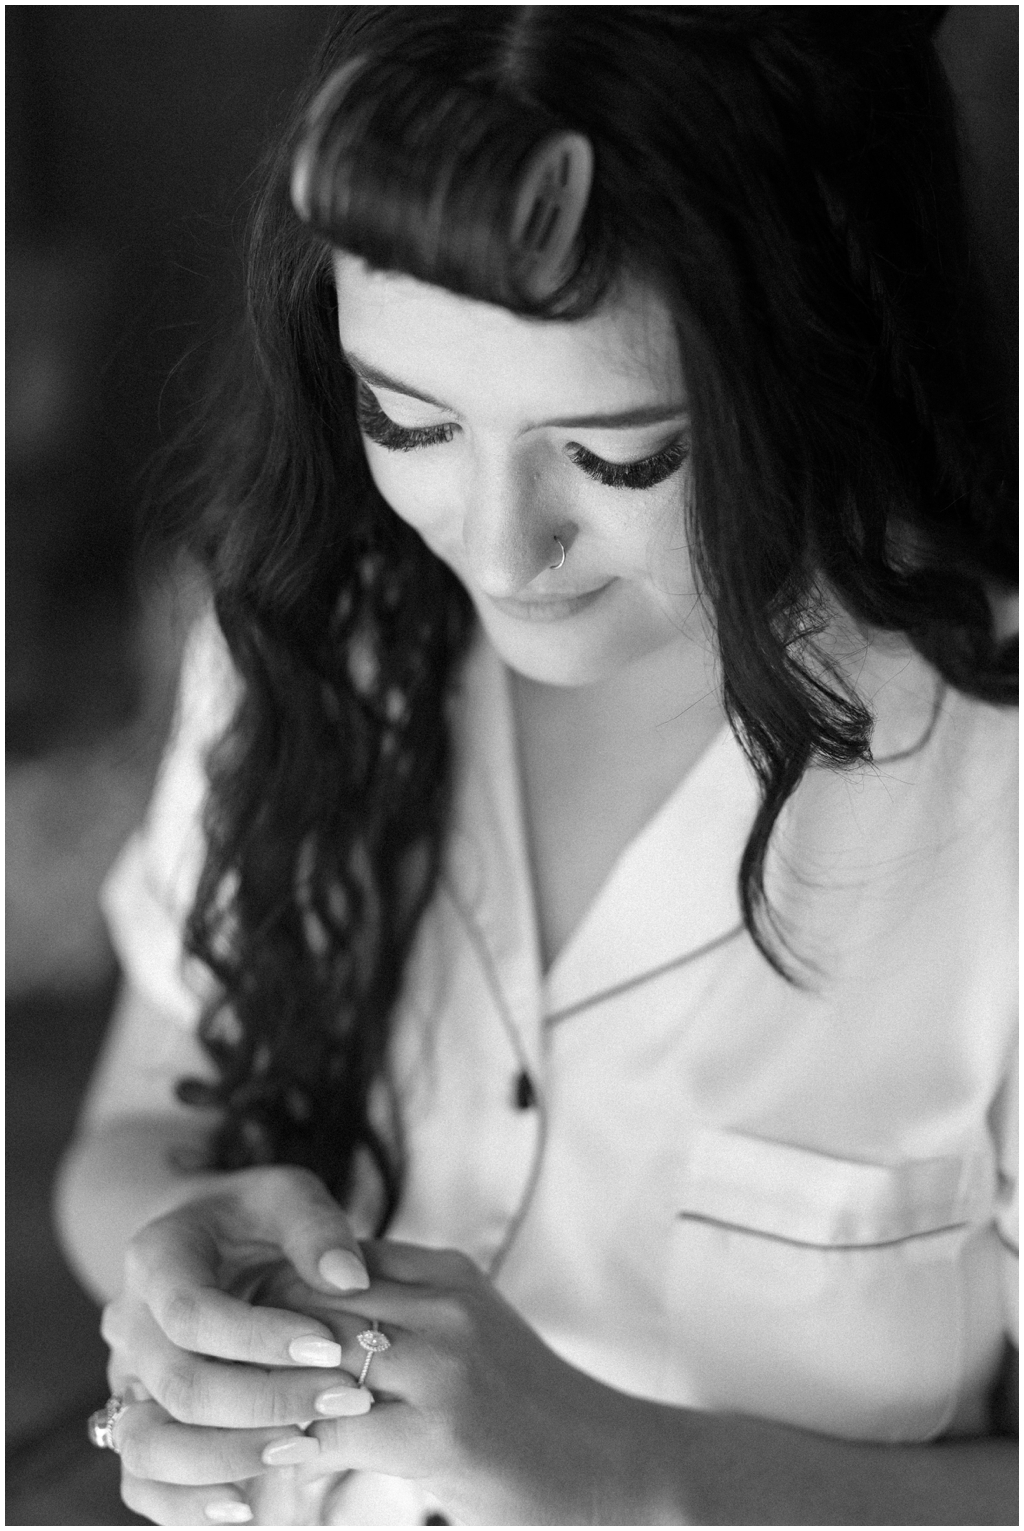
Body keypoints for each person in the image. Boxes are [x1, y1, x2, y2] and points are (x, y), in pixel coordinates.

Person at [56, 6, 1017, 1525]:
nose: (499, 554)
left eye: (620, 455)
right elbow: (128, 1132)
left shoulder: (994, 775)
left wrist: (629, 1470)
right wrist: (183, 1264)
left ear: (815, 363)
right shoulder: (316, 634)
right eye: (407, 418)